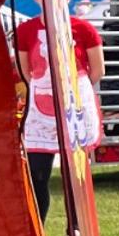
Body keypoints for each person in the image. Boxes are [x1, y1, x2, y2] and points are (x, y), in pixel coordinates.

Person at [14, 11, 104, 220]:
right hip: (42, 107)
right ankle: (38, 234)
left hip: (74, 104)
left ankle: (75, 230)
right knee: (38, 174)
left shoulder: (83, 28)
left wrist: (75, 91)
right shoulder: (26, 30)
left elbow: (98, 69)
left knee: (75, 175)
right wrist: (44, 88)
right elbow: (24, 70)